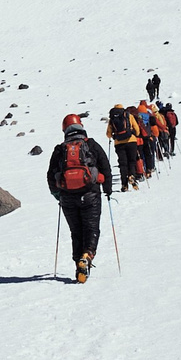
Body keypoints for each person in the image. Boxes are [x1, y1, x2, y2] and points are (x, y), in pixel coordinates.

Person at [46, 114, 114, 282]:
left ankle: (79, 265)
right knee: (91, 229)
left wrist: (58, 195)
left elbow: (50, 175)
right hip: (91, 195)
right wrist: (108, 190)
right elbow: (105, 166)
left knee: (76, 232)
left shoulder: (60, 149)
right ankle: (87, 255)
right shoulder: (91, 145)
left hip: (68, 198)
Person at [106, 102, 143, 190]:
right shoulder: (129, 115)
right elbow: (137, 130)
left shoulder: (112, 118)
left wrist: (114, 136)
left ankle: (124, 184)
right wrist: (135, 134)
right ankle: (132, 176)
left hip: (119, 143)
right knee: (132, 161)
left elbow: (108, 134)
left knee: (123, 164)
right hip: (131, 141)